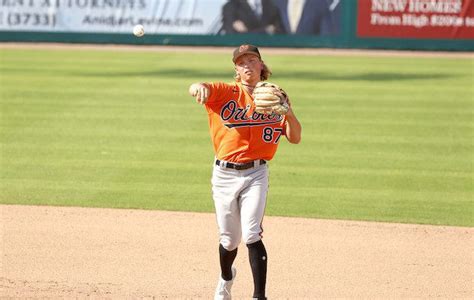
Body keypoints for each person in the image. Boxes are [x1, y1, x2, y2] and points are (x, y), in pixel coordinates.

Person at [188, 45, 302, 300]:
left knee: (252, 233)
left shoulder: (275, 96)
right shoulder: (225, 92)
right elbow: (198, 86)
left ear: (262, 65)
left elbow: (295, 137)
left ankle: (259, 296)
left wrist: (289, 112)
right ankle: (226, 278)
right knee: (229, 240)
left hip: (256, 174)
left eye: (252, 60)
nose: (247, 65)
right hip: (225, 175)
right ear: (236, 70)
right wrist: (198, 88)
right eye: (241, 62)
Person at [273, 0, 341, 35]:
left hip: (312, 54)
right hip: (282, 54)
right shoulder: (277, 2)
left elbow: (326, 34)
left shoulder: (320, 3)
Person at [220, 0, 286, 34]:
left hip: (269, 52)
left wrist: (246, 32)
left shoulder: (272, 5)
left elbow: (280, 32)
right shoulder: (230, 7)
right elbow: (230, 36)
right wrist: (266, 30)